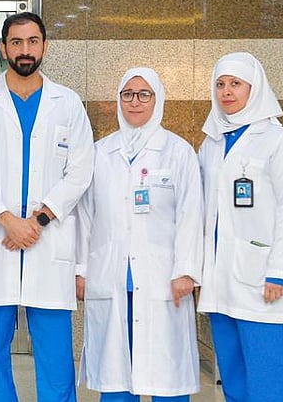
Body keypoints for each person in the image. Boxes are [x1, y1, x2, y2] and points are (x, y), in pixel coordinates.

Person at [0, 11, 94, 402]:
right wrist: (8, 221)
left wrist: (38, 220)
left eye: (33, 41)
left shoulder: (68, 103)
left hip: (47, 240)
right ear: (3, 48)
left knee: (55, 354)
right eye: (16, 42)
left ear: (45, 46)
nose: (25, 50)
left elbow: (81, 170)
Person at [76, 68, 204, 402]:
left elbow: (191, 214)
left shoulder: (178, 152)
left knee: (166, 377)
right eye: (128, 94)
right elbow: (84, 217)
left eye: (144, 94)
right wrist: (80, 270)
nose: (135, 102)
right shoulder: (100, 153)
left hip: (163, 279)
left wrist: (186, 271)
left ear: (157, 99)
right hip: (110, 276)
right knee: (116, 376)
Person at [197, 52, 283, 402]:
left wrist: (277, 272)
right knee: (231, 368)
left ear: (254, 88)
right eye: (220, 84)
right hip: (219, 275)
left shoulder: (278, 141)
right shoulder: (211, 142)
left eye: (235, 84)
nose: (226, 92)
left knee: (264, 366)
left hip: (261, 276)